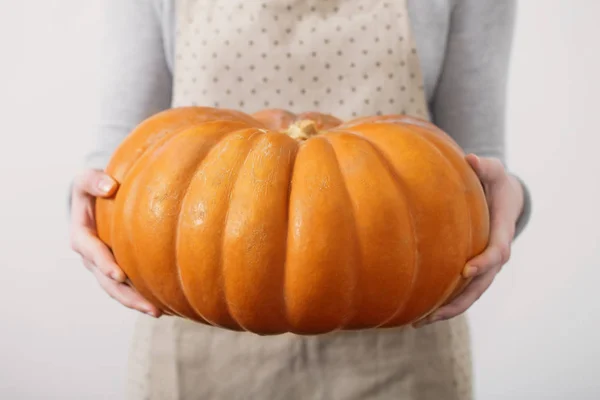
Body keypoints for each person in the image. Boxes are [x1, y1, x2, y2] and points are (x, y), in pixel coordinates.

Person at [69, 0, 531, 399]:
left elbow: (477, 170)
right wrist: (88, 208)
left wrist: (511, 199)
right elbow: (117, 165)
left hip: (402, 350)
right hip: (195, 348)